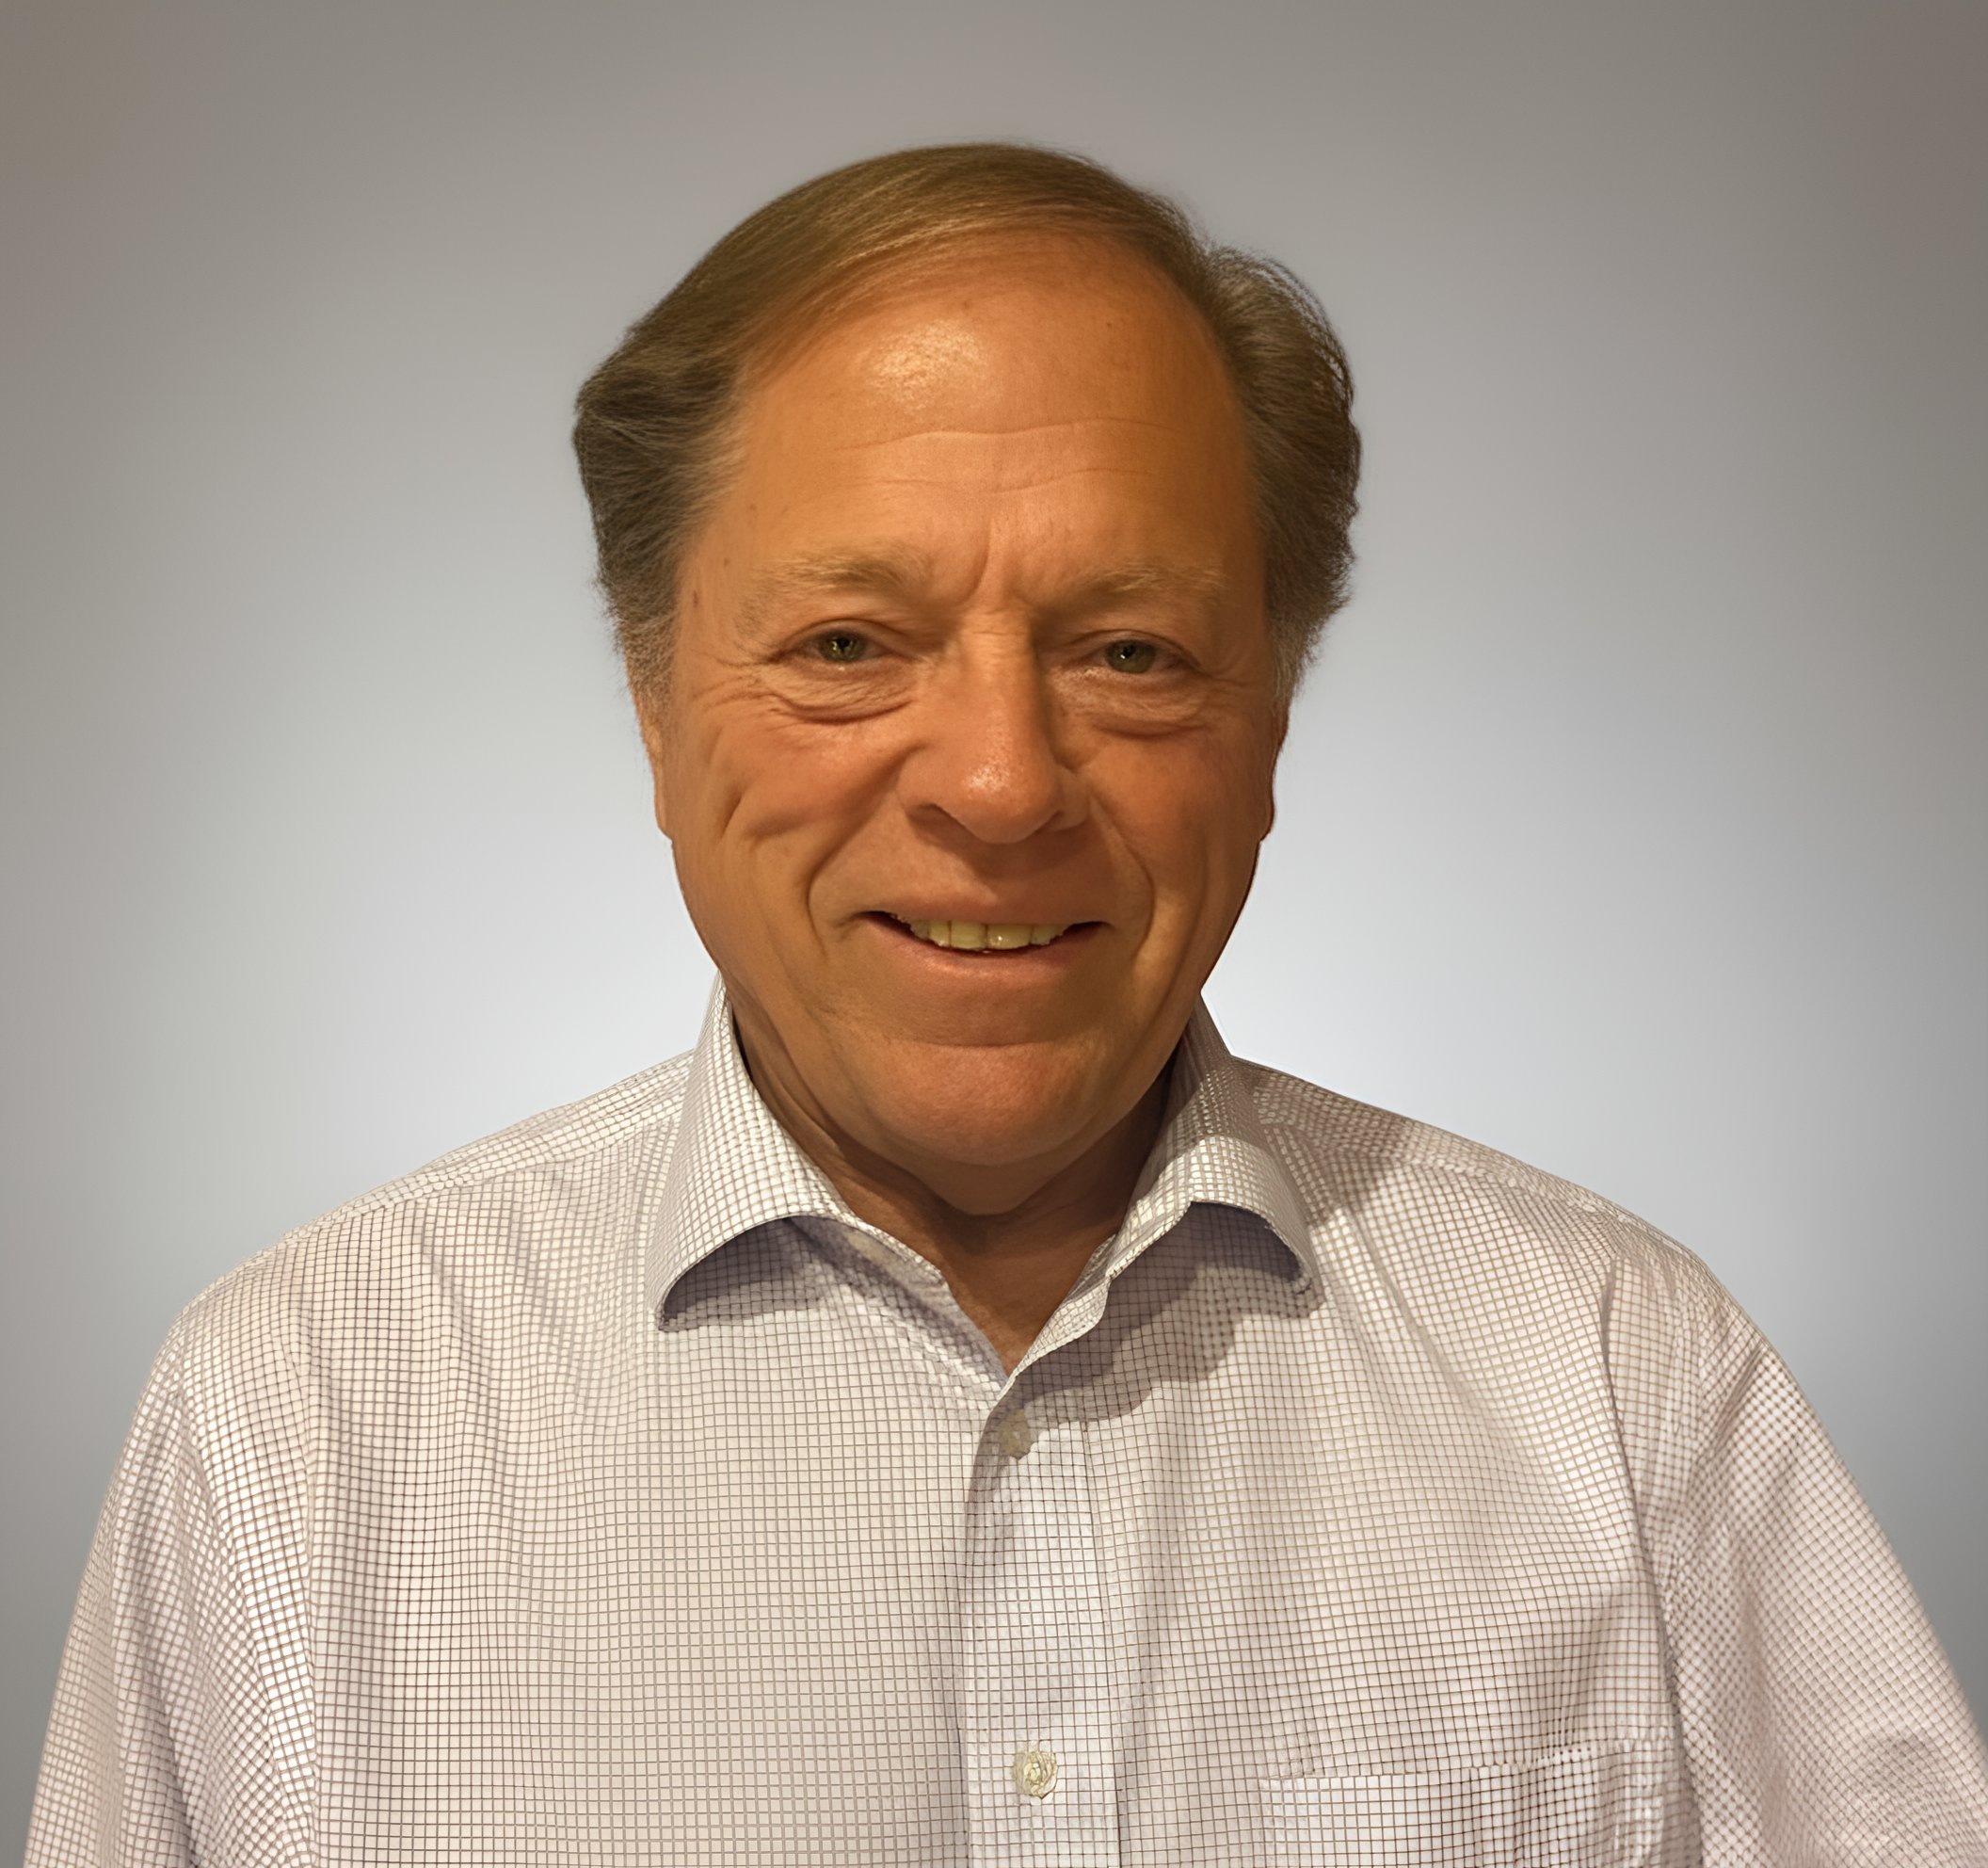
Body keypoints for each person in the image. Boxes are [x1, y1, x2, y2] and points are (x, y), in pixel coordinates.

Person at [26, 142, 1987, 1867]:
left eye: (1130, 648)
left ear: (1271, 717)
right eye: (850, 642)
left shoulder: (1621, 1383)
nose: (997, 782)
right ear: (650, 692)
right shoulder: (293, 1424)